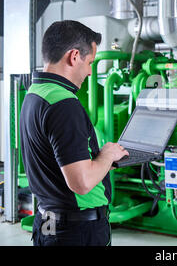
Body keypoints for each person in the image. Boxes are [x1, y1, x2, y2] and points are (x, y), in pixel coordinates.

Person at [19, 20, 129, 246]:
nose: (90, 71)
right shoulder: (63, 104)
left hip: (48, 221)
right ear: (74, 56)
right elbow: (81, 182)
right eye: (89, 63)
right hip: (76, 230)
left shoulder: (35, 93)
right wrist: (108, 154)